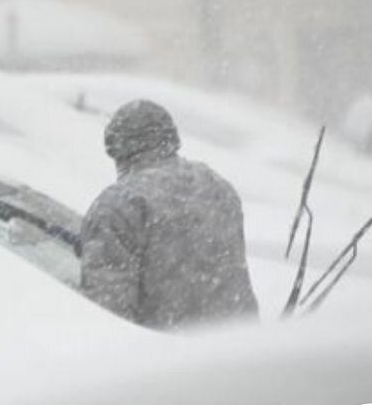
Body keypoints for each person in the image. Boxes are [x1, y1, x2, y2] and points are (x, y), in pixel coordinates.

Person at [79, 99, 258, 331]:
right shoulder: (217, 186)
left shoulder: (118, 207)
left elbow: (107, 315)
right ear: (172, 138)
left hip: (166, 350)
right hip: (241, 345)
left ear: (118, 150)